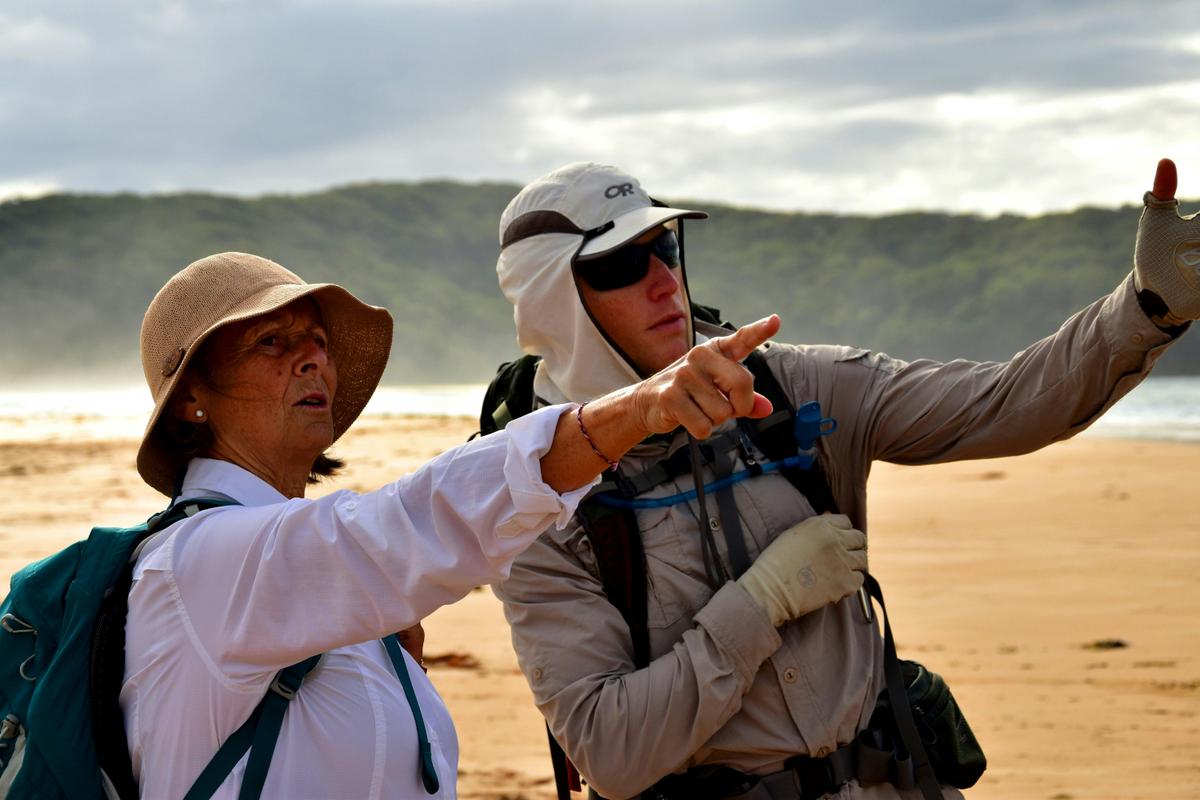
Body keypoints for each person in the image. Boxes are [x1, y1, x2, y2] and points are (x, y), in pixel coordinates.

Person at [489, 160, 1196, 800]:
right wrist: (760, 603)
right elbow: (611, 754)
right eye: (620, 264)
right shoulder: (530, 498)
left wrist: (1148, 307)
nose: (665, 280)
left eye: (665, 247)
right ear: (557, 301)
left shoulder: (793, 387)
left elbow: (1004, 402)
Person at [123, 251, 781, 799]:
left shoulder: (325, 585)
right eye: (271, 341)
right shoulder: (202, 562)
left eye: (317, 341)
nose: (311, 360)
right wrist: (636, 411)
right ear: (191, 401)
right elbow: (419, 521)